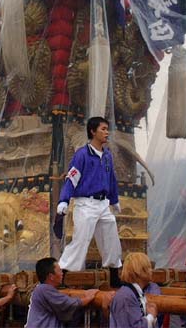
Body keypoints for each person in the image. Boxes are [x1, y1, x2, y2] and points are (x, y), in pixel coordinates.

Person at [56, 117, 122, 283]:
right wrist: (64, 200)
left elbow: (111, 179)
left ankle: (114, 275)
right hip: (86, 204)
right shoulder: (82, 155)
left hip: (103, 204)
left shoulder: (107, 156)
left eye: (107, 129)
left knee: (111, 237)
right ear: (93, 131)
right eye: (103, 129)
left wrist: (114, 200)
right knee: (81, 240)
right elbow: (72, 178)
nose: (107, 132)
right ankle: (63, 273)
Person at [25, 257, 97, 328]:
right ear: (51, 276)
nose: (62, 274)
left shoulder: (43, 289)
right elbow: (67, 303)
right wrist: (89, 297)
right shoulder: (43, 289)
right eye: (59, 271)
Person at [109, 252, 159, 328]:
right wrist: (151, 316)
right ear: (139, 271)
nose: (151, 271)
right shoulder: (126, 296)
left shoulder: (132, 293)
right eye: (148, 268)